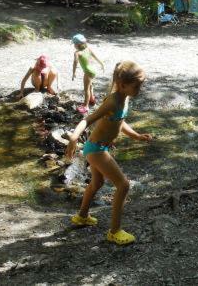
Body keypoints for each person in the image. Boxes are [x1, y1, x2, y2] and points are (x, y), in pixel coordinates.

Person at [66, 61, 152, 246]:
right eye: (136, 86)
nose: (139, 89)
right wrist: (73, 138)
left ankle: (82, 216)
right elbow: (87, 119)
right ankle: (114, 231)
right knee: (123, 185)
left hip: (98, 148)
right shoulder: (112, 101)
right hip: (95, 149)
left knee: (97, 183)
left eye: (141, 85)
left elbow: (119, 122)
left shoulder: (124, 98)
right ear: (122, 85)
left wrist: (136, 136)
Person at [72, 34, 105, 114]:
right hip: (93, 70)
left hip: (88, 71)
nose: (74, 45)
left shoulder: (77, 53)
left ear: (77, 44)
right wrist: (102, 64)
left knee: (86, 89)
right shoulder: (88, 49)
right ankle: (92, 99)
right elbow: (95, 56)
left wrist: (73, 73)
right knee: (90, 85)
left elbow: (75, 63)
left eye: (74, 44)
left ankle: (86, 106)